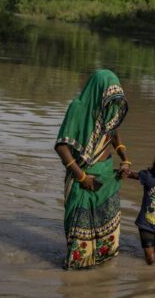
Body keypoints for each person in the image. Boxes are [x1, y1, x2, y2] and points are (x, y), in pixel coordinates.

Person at [55, 69, 132, 269]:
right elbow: (62, 146)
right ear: (99, 90)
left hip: (106, 174)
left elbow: (113, 132)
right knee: (80, 224)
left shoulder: (109, 108)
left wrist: (125, 159)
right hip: (84, 175)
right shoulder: (78, 108)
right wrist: (82, 177)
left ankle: (103, 263)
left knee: (106, 218)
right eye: (109, 96)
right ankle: (78, 268)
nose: (113, 103)